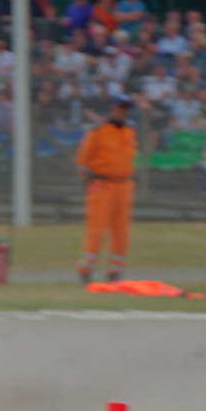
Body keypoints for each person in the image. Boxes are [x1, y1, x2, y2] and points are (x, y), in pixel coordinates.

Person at [76, 95, 138, 285]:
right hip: (101, 185)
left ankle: (114, 271)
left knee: (121, 231)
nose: (123, 111)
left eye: (126, 108)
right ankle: (86, 270)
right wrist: (89, 182)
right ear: (113, 108)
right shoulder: (98, 131)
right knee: (96, 229)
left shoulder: (129, 132)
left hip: (124, 186)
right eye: (120, 107)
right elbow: (82, 161)